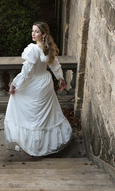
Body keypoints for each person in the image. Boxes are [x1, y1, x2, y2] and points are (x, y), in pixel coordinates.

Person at [4, 21, 72, 156]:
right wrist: (60, 78)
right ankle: (42, 143)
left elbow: (26, 72)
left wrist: (14, 84)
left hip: (35, 83)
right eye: (32, 31)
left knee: (33, 114)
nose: (33, 34)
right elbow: (54, 65)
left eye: (36, 31)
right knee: (44, 115)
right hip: (46, 82)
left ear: (44, 34)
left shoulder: (33, 49)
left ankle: (35, 145)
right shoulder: (48, 48)